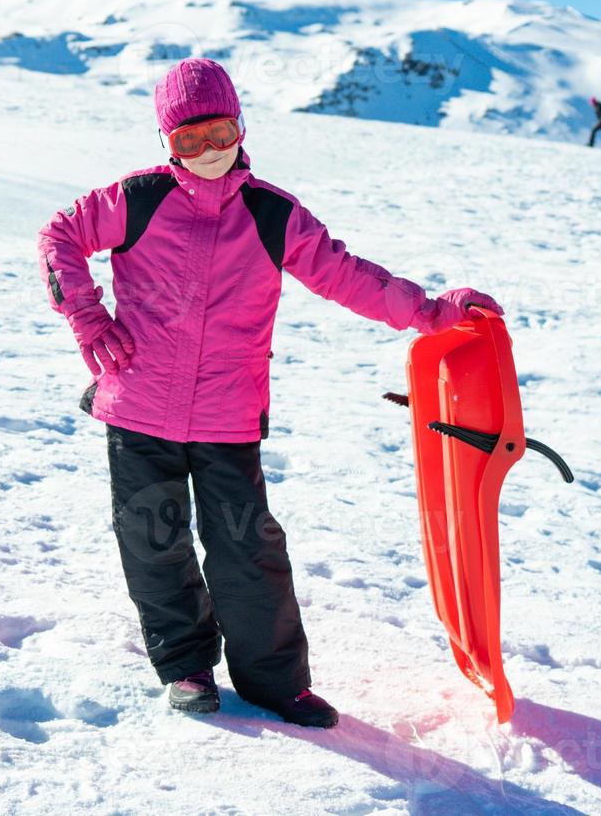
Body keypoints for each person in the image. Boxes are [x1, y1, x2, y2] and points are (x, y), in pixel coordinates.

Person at [37, 58, 502, 729]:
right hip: (136, 406)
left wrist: (431, 311)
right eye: (187, 141)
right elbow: (59, 236)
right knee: (153, 540)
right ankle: (186, 667)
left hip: (227, 414)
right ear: (166, 143)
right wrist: (86, 313)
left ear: (241, 127)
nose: (206, 152)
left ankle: (275, 683)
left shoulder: (271, 214)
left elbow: (348, 276)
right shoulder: (136, 200)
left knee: (247, 547)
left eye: (219, 133)